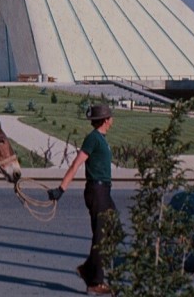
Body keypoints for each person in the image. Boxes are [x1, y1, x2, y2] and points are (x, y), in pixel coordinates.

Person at [48, 104, 116, 296]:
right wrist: (61, 189)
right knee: (100, 235)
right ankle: (95, 282)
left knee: (113, 227)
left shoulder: (101, 139)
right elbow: (76, 164)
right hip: (97, 190)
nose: (112, 119)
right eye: (110, 117)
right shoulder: (93, 139)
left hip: (105, 190)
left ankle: (87, 269)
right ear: (105, 120)